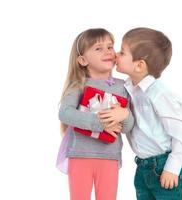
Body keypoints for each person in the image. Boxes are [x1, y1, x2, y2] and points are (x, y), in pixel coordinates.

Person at [99, 27, 182, 200]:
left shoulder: (159, 94)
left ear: (139, 65)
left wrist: (172, 167)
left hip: (163, 166)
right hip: (142, 167)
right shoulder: (128, 87)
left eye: (122, 52)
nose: (116, 55)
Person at [58, 28, 134, 200]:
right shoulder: (78, 85)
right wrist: (100, 123)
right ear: (83, 60)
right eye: (98, 48)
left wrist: (126, 115)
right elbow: (65, 113)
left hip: (110, 156)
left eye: (110, 46)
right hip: (80, 154)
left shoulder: (124, 86)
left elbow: (127, 127)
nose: (108, 51)